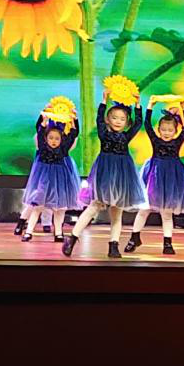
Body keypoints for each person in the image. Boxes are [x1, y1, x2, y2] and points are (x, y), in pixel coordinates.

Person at [63, 87, 147, 260]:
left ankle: (113, 245)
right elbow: (99, 118)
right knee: (94, 206)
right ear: (108, 120)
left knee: (117, 212)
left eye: (122, 119)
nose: (118, 121)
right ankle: (72, 238)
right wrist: (104, 100)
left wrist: (138, 105)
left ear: (127, 122)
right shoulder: (103, 133)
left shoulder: (126, 136)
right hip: (105, 173)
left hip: (122, 174)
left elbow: (138, 123)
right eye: (114, 118)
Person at [126, 102, 184, 255]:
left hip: (171, 179)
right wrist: (150, 106)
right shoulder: (156, 140)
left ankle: (167, 243)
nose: (166, 132)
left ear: (175, 131)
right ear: (159, 130)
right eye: (163, 129)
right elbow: (147, 125)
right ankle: (134, 238)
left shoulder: (177, 142)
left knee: (166, 213)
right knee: (144, 209)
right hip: (154, 178)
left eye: (170, 130)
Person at [16, 105, 80, 242]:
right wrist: (43, 119)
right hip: (44, 181)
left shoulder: (63, 149)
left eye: (57, 138)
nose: (54, 141)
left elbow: (74, 134)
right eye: (51, 138)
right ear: (46, 139)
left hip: (60, 182)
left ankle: (58, 233)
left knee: (59, 208)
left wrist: (74, 120)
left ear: (62, 140)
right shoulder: (43, 148)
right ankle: (28, 231)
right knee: (37, 206)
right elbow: (39, 130)